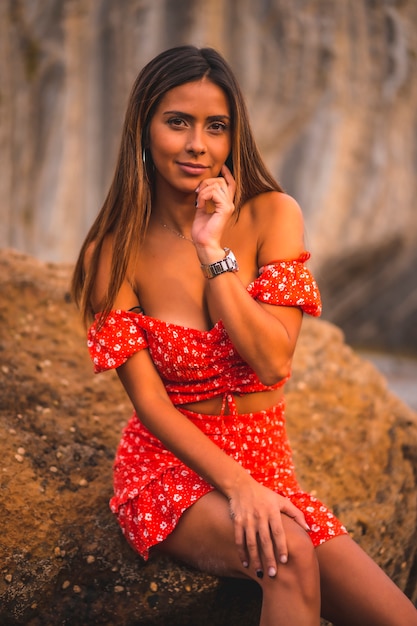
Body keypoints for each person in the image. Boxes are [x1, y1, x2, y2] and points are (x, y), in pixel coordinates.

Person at [72, 45, 417, 626]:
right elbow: (151, 404)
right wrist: (238, 488)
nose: (197, 145)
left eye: (216, 127)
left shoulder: (272, 216)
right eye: (177, 122)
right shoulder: (113, 253)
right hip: (171, 467)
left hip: (266, 459)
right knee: (289, 556)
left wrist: (214, 253)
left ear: (235, 137)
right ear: (143, 127)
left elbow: (272, 361)